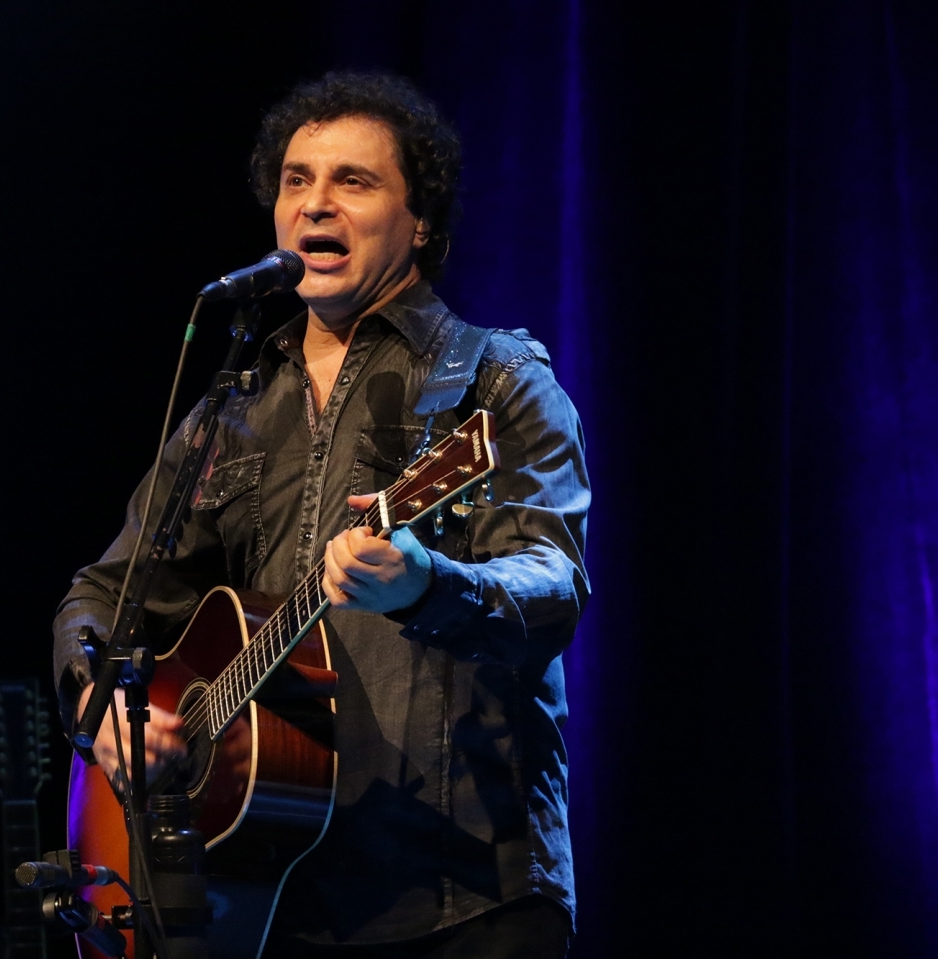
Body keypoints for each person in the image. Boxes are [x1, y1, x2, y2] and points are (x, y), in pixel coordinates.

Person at [53, 72, 589, 959]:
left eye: (354, 180)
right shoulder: (230, 411)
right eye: (296, 180)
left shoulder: (495, 381)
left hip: (460, 890)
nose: (314, 202)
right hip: (268, 892)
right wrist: (100, 705)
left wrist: (426, 583)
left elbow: (551, 585)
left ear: (420, 223)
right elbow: (104, 594)